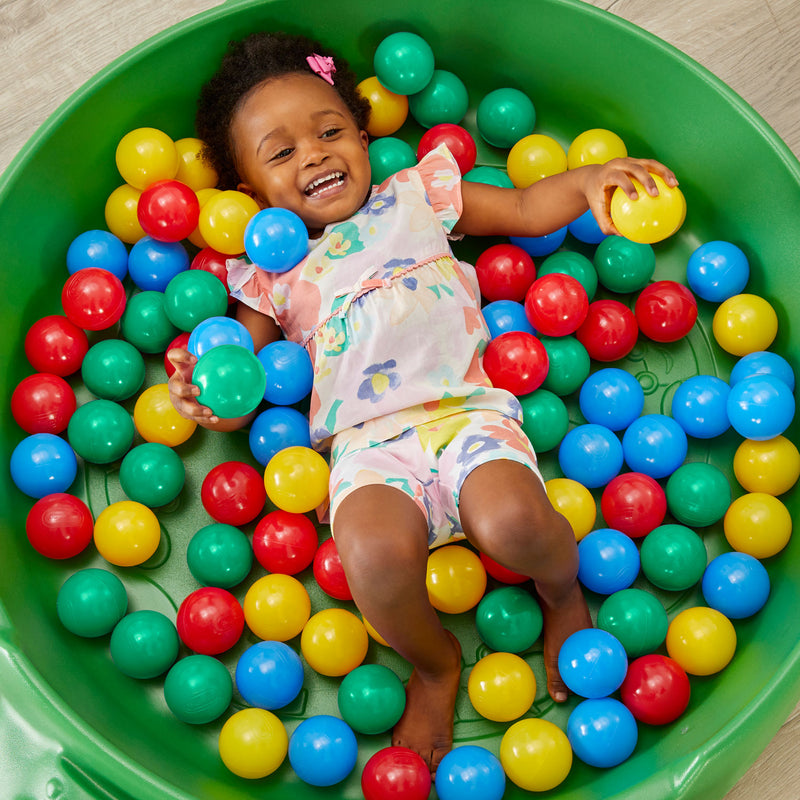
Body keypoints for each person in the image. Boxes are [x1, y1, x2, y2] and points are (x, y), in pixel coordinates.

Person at [168, 31, 678, 773]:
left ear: (363, 135)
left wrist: (590, 179)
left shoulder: (417, 194)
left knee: (514, 522)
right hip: (367, 446)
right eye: (280, 153)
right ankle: (436, 664)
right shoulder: (268, 276)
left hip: (464, 414)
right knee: (371, 559)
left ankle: (562, 593)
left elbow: (527, 206)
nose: (312, 155)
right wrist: (206, 394)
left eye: (329, 131)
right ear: (250, 193)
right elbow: (244, 389)